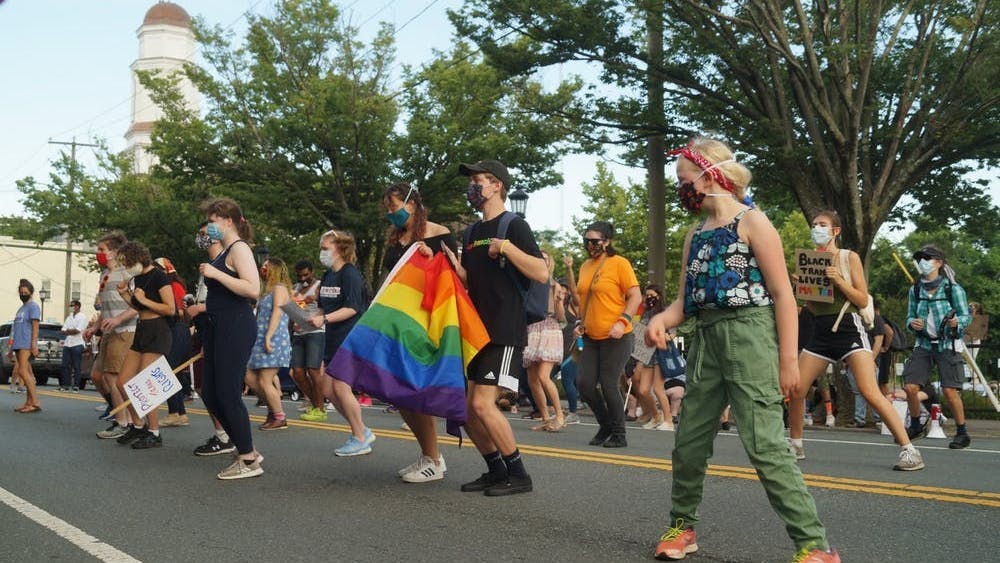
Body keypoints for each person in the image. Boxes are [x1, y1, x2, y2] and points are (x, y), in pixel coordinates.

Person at [646, 138, 838, 562]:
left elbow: (782, 294)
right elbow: (685, 302)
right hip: (706, 340)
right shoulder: (695, 234)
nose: (681, 188)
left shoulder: (754, 222)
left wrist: (788, 360)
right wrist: (661, 320)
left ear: (710, 175)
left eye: (684, 179)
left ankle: (814, 545)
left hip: (751, 336)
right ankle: (682, 527)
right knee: (689, 442)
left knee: (765, 446)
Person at [441, 159, 548, 497]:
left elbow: (541, 272)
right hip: (476, 330)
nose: (473, 187)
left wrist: (507, 247)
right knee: (467, 410)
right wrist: (456, 270)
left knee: (483, 404)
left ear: (497, 185)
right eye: (471, 181)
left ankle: (519, 474)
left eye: (479, 180)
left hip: (504, 328)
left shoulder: (514, 225)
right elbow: (473, 282)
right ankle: (495, 470)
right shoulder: (472, 232)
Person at [789, 210, 922, 470]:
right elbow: (812, 305)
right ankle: (795, 444)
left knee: (869, 390)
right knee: (796, 388)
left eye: (822, 224)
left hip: (848, 327)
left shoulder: (848, 257)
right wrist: (801, 286)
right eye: (814, 224)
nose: (816, 228)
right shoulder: (809, 259)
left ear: (835, 230)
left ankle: (909, 450)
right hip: (820, 330)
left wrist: (838, 280)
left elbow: (862, 298)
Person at [381, 182, 456, 481]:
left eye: (393, 206)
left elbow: (455, 277)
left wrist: (432, 258)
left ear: (411, 203)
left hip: (424, 322)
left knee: (414, 390)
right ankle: (429, 454)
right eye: (387, 208)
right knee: (398, 391)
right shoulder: (395, 238)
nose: (390, 212)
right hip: (396, 321)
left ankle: (433, 460)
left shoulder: (439, 233)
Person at [199, 197, 264, 479]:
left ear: (228, 221)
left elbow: (253, 289)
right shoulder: (224, 251)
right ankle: (246, 447)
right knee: (210, 393)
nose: (208, 227)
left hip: (235, 325)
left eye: (212, 221)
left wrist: (216, 274)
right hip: (217, 327)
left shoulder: (240, 249)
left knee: (227, 393)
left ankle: (248, 459)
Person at [566, 220, 641, 448]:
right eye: (586, 240)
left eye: (595, 241)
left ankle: (619, 434)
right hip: (590, 337)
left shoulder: (619, 263)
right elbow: (583, 300)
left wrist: (622, 321)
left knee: (609, 384)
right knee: (584, 384)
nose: (590, 245)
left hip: (617, 336)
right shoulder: (585, 266)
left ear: (607, 242)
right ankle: (606, 425)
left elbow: (635, 296)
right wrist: (579, 322)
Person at [902, 244, 972, 449]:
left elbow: (966, 315)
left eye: (927, 258)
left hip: (947, 344)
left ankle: (962, 432)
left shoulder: (953, 288)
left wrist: (957, 322)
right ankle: (916, 424)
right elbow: (909, 316)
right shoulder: (915, 289)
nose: (923, 262)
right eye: (920, 259)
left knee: (950, 390)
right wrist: (912, 323)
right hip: (923, 343)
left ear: (939, 263)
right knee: (910, 386)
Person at [314, 230, 375, 456]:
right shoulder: (327, 275)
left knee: (340, 386)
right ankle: (361, 430)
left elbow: (352, 308)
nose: (322, 252)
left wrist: (324, 319)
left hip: (350, 337)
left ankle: (359, 437)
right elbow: (322, 307)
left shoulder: (350, 274)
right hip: (332, 338)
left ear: (340, 249)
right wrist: (310, 319)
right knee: (327, 389)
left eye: (326, 248)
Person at [111, 242, 176, 449]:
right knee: (122, 381)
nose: (126, 267)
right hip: (142, 329)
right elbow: (139, 306)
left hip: (158, 330)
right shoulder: (137, 278)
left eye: (127, 262)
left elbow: (170, 308)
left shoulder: (159, 276)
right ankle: (138, 424)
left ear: (138, 258)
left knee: (145, 383)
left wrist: (144, 300)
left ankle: (154, 431)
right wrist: (125, 294)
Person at [186, 222, 238, 456]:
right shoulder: (208, 266)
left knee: (220, 390)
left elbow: (235, 299)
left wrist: (200, 308)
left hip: (223, 330)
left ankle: (232, 439)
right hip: (206, 330)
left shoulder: (227, 262)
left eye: (203, 233)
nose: (200, 238)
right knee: (205, 388)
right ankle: (223, 435)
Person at [88, 232, 140, 439]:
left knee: (113, 376)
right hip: (109, 332)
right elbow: (105, 308)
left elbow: (138, 305)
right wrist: (95, 327)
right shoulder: (104, 275)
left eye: (102, 249)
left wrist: (118, 320)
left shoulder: (128, 272)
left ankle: (124, 422)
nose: (98, 253)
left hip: (125, 331)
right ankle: (120, 413)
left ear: (115, 252)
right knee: (96, 375)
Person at [522, 251, 566, 432]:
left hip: (549, 327)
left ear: (550, 263)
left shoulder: (554, 285)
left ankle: (560, 415)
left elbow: (562, 318)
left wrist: (559, 302)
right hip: (532, 327)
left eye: (545, 259)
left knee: (543, 376)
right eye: (539, 258)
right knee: (532, 379)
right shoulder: (528, 282)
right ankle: (546, 418)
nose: (542, 261)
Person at [247, 257, 292, 431]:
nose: (263, 268)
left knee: (265, 379)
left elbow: (277, 312)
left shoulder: (280, 288)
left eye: (266, 266)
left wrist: (268, 336)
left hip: (274, 338)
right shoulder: (266, 292)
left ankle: (279, 417)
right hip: (259, 338)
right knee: (249, 376)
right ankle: (273, 410)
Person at [156, 257, 193, 428]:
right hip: (171, 329)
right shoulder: (168, 286)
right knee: (173, 372)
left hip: (177, 329)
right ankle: (179, 413)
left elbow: (180, 312)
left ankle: (174, 413)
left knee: (168, 370)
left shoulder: (175, 286)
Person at [632, 285, 674, 430]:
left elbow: (672, 334)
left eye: (652, 295)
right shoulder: (646, 314)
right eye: (647, 295)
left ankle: (668, 420)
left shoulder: (666, 312)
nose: (649, 298)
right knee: (643, 390)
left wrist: (662, 336)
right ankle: (656, 416)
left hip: (661, 353)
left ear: (659, 296)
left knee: (658, 389)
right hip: (647, 354)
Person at [290, 259, 327, 420]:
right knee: (297, 373)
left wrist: (306, 301)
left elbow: (325, 307)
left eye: (305, 275)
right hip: (298, 334)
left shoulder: (320, 286)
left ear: (311, 272)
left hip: (315, 332)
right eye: (299, 276)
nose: (302, 278)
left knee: (313, 370)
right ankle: (315, 404)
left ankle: (320, 409)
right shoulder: (295, 288)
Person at [844, 299, 887, 428]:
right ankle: (860, 418)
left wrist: (871, 359)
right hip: (853, 359)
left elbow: (879, 340)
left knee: (871, 390)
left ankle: (878, 418)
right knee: (858, 391)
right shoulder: (853, 317)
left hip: (869, 359)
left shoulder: (875, 318)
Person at [12, 279, 41, 413]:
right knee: (27, 372)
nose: (23, 294)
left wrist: (33, 344)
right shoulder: (21, 308)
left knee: (22, 371)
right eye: (21, 292)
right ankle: (28, 402)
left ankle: (35, 402)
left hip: (26, 342)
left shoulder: (33, 307)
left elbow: (35, 326)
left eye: (25, 292)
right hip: (18, 343)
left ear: (31, 293)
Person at [59, 299, 87, 392]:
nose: (70, 307)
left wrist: (68, 331)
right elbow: (63, 330)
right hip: (68, 344)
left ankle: (76, 386)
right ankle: (65, 385)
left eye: (72, 306)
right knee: (65, 365)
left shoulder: (82, 317)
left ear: (77, 306)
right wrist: (69, 331)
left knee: (76, 366)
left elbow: (77, 330)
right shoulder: (69, 317)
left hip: (77, 344)